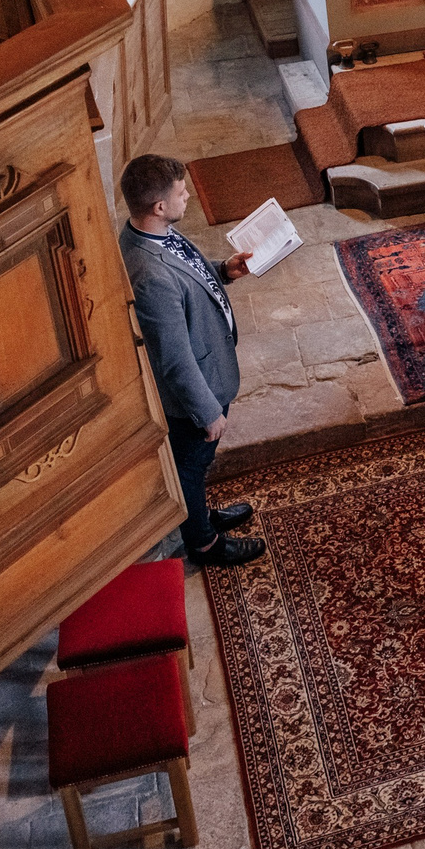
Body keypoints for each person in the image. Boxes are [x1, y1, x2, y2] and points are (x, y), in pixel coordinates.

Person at [118, 154, 264, 571]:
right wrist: (207, 411)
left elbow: (192, 275)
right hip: (193, 398)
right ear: (159, 207)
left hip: (209, 372)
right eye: (181, 193)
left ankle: (201, 516)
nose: (188, 197)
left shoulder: (154, 233)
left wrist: (223, 271)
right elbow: (175, 360)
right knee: (191, 466)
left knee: (198, 466)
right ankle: (203, 542)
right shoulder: (150, 275)